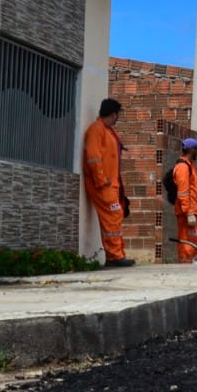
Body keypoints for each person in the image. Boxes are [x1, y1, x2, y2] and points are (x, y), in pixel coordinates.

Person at [82, 98, 133, 267]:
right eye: (117, 115)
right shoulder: (96, 131)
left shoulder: (108, 131)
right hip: (103, 185)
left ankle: (118, 254)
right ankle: (114, 256)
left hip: (111, 185)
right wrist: (102, 181)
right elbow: (93, 158)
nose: (118, 118)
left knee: (116, 216)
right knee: (112, 217)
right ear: (113, 114)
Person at [173, 138, 197, 263]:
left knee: (196, 239)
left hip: (192, 210)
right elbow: (183, 192)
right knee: (188, 241)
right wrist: (189, 212)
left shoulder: (189, 165)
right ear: (191, 150)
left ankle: (193, 262)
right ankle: (185, 264)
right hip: (187, 212)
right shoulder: (183, 167)